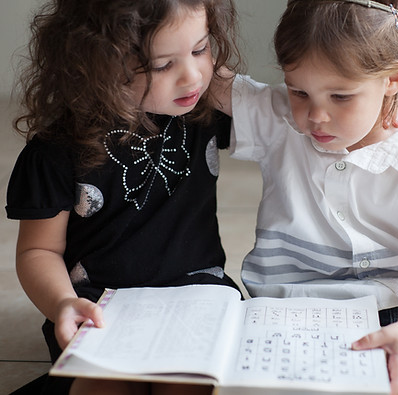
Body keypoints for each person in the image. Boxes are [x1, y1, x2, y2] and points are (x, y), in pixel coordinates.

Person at [215, 0, 398, 394]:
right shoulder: (277, 117)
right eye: (299, 91)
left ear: (393, 80)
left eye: (341, 97)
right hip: (291, 308)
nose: (315, 116)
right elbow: (206, 76)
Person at [6, 0, 241, 394]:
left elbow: (291, 118)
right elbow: (38, 252)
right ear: (99, 67)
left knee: (189, 380)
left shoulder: (205, 112)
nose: (192, 76)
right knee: (105, 385)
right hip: (99, 303)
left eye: (200, 49)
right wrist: (63, 303)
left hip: (196, 293)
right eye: (163, 65)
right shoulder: (57, 150)